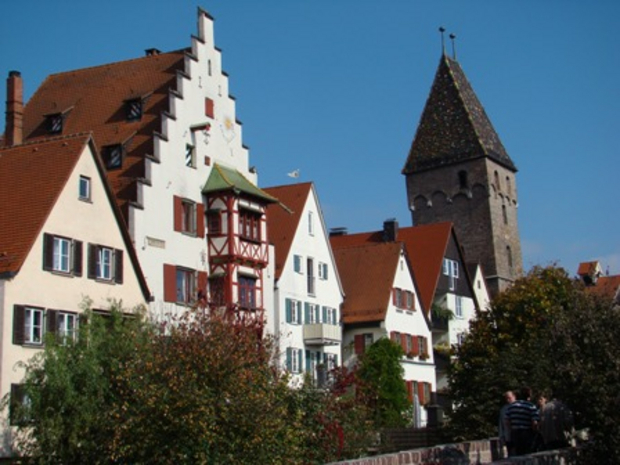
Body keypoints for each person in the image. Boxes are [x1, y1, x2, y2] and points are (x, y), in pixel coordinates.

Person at [506, 386, 540, 456]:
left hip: (515, 432)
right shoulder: (531, 406)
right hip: (527, 432)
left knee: (518, 453)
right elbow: (534, 422)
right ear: (529, 396)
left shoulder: (512, 406)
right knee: (528, 453)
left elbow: (507, 421)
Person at [499, 390, 516, 457]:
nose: (508, 400)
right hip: (508, 436)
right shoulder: (504, 409)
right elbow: (501, 424)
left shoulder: (519, 406)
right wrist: (501, 436)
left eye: (510, 397)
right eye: (507, 398)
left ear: (514, 396)